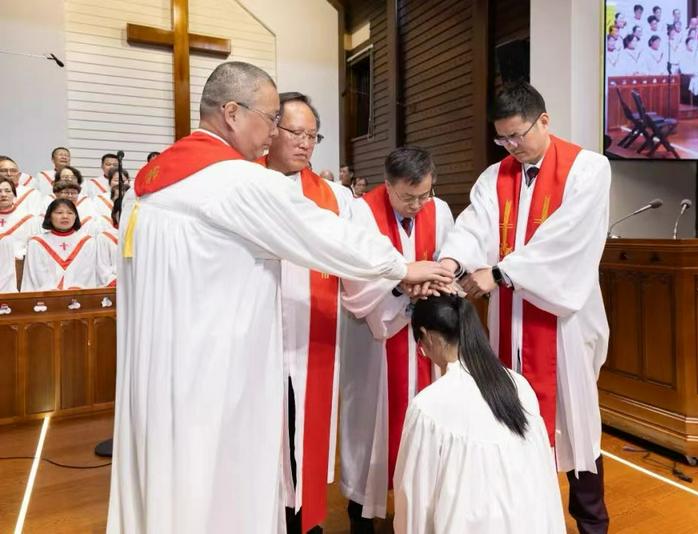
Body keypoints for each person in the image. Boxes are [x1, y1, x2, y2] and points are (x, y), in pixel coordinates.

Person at [106, 61, 452, 534]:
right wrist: (401, 266)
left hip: (158, 373)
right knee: (212, 486)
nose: (272, 134)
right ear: (231, 112)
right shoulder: (234, 180)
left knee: (169, 481)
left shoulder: (151, 183)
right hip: (212, 380)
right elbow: (318, 231)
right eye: (270, 119)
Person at [437, 81, 611, 534]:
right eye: (503, 138)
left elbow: (567, 240)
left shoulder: (588, 169)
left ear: (544, 121)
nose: (511, 146)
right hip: (508, 323)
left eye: (518, 135)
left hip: (563, 323)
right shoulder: (495, 177)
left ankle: (592, 524)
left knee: (575, 425)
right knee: (511, 423)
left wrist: (497, 274)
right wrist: (452, 261)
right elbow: (472, 226)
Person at [338, 146, 454, 531]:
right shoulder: (361, 212)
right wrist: (402, 285)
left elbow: (448, 263)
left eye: (424, 194)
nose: (418, 205)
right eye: (408, 197)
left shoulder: (439, 211)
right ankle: (361, 514)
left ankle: (424, 513)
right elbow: (355, 281)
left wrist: (434, 283)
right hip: (375, 343)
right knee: (369, 426)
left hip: (426, 344)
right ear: (387, 186)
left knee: (430, 426)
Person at [261, 90, 354, 534]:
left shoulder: (335, 197)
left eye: (313, 136)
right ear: (270, 129)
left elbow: (358, 260)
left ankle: (303, 521)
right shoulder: (243, 184)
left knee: (302, 436)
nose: (304, 143)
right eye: (295, 132)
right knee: (259, 440)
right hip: (254, 343)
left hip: (310, 341)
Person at [393, 295, 565, 534]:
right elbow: (545, 480)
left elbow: (415, 498)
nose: (424, 352)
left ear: (428, 336)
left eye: (420, 344)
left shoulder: (428, 406)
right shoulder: (519, 385)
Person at [21, 199, 97, 291]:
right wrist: (51, 289)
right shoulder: (36, 243)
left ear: (76, 216)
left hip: (79, 295)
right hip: (46, 296)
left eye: (70, 213)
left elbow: (87, 271)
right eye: (59, 212)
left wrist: (73, 288)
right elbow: (37, 273)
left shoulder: (88, 242)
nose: (65, 216)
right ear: (49, 216)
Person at [0, 178, 42, 259]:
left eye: (8, 191)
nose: (3, 194)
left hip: (19, 264)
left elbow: (35, 247)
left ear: (15, 195)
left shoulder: (29, 219)